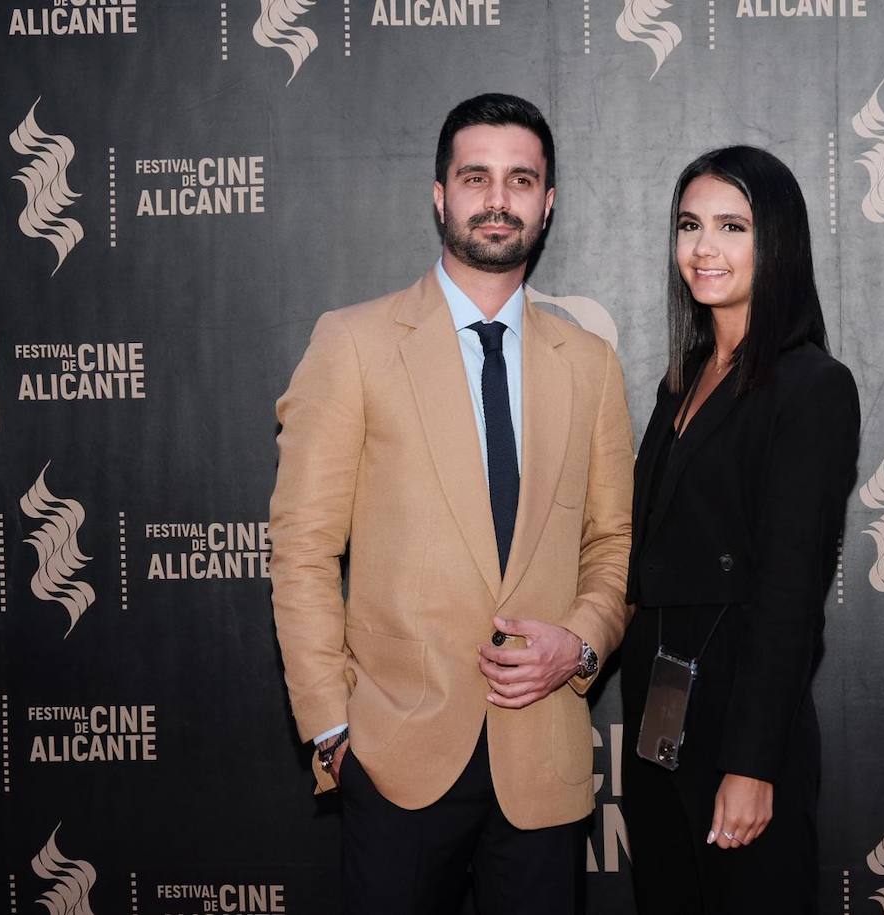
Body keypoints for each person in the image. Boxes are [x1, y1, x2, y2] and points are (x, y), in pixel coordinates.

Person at [269, 93, 634, 915]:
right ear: (440, 195)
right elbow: (302, 548)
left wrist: (580, 643)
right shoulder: (354, 343)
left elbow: (612, 545)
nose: (497, 199)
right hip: (394, 759)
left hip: (542, 762)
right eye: (476, 177)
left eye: (520, 180)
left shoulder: (591, 365)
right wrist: (332, 728)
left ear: (548, 202)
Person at [622, 146, 861, 914]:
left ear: (777, 240)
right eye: (689, 225)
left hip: (739, 727)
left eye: (732, 226)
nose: (704, 247)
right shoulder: (684, 377)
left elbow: (790, 592)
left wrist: (752, 764)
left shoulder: (812, 385)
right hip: (659, 722)